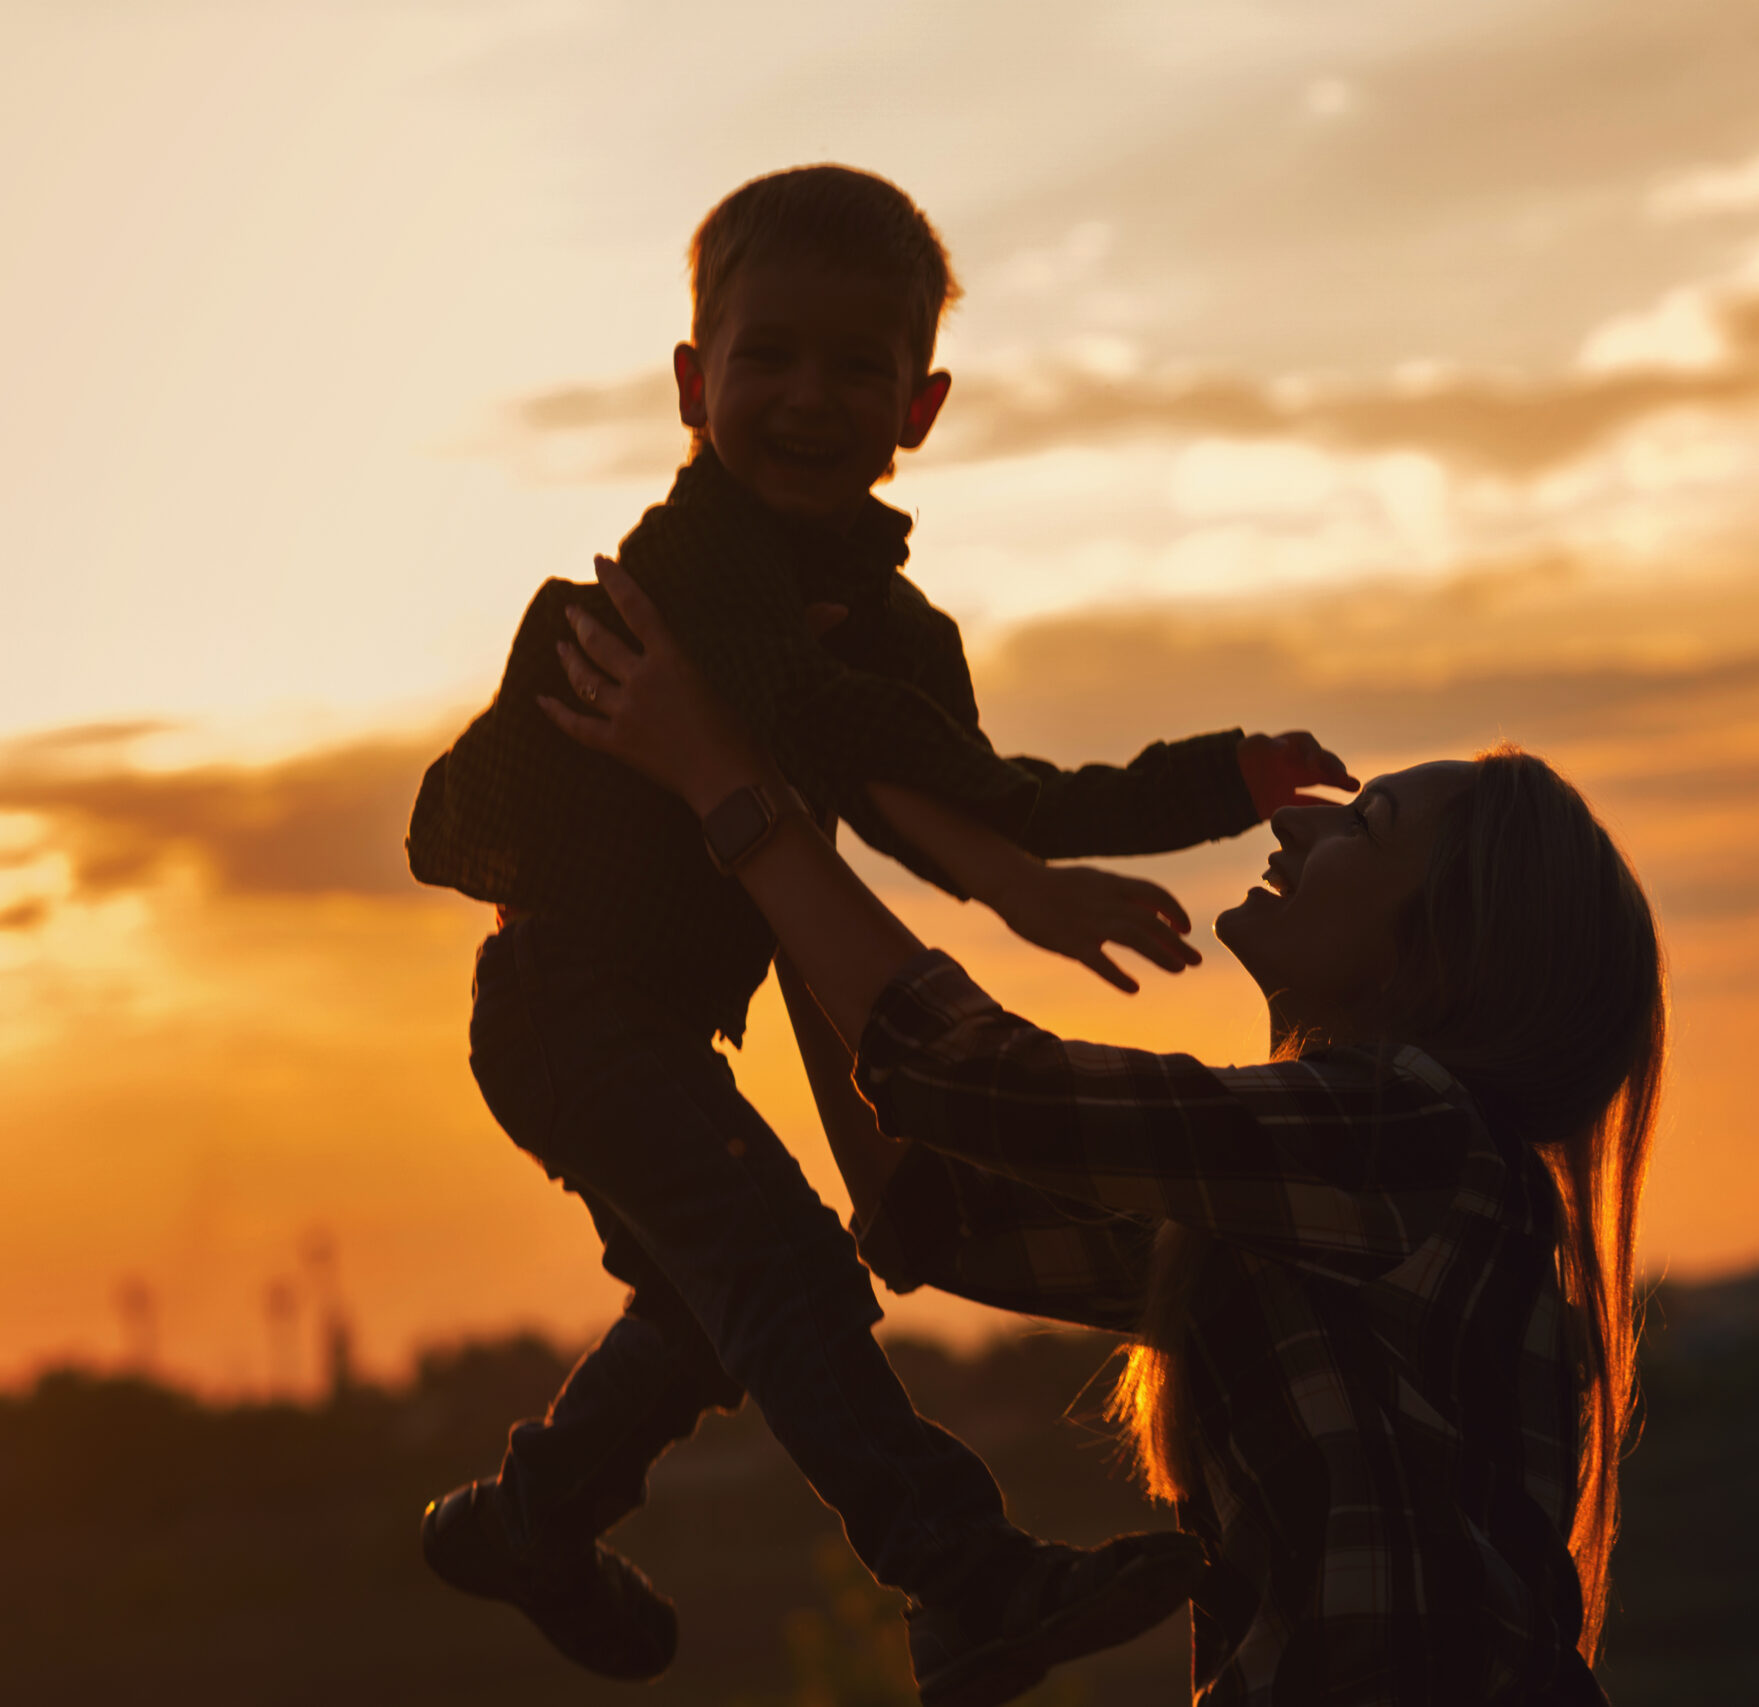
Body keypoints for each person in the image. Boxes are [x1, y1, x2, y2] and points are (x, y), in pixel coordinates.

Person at [404, 165, 1352, 1703]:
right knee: (788, 1272)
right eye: (766, 358)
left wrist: (1210, 779)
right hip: (564, 1005)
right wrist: (1015, 881)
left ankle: (531, 1519)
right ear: (693, 384)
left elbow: (977, 791)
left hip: (646, 1025)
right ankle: (964, 1576)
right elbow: (822, 726)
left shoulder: (900, 630)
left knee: (715, 1307)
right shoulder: (687, 569)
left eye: (855, 367)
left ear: (921, 406)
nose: (805, 397)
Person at [542, 556, 1664, 1704]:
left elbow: (979, 1081)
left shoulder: (1415, 1144)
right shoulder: (1318, 1207)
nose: (1295, 822)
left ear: (1444, 947)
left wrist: (733, 789)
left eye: (1363, 826)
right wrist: (777, 827)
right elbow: (928, 1211)